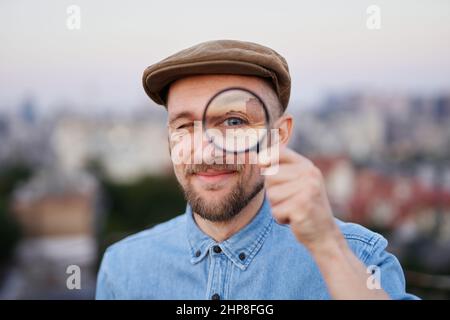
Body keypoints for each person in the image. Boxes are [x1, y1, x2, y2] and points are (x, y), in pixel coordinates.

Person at [96, 40, 418, 300]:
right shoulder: (123, 268)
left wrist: (328, 249)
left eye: (234, 122)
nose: (206, 149)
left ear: (279, 136)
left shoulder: (359, 260)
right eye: (185, 126)